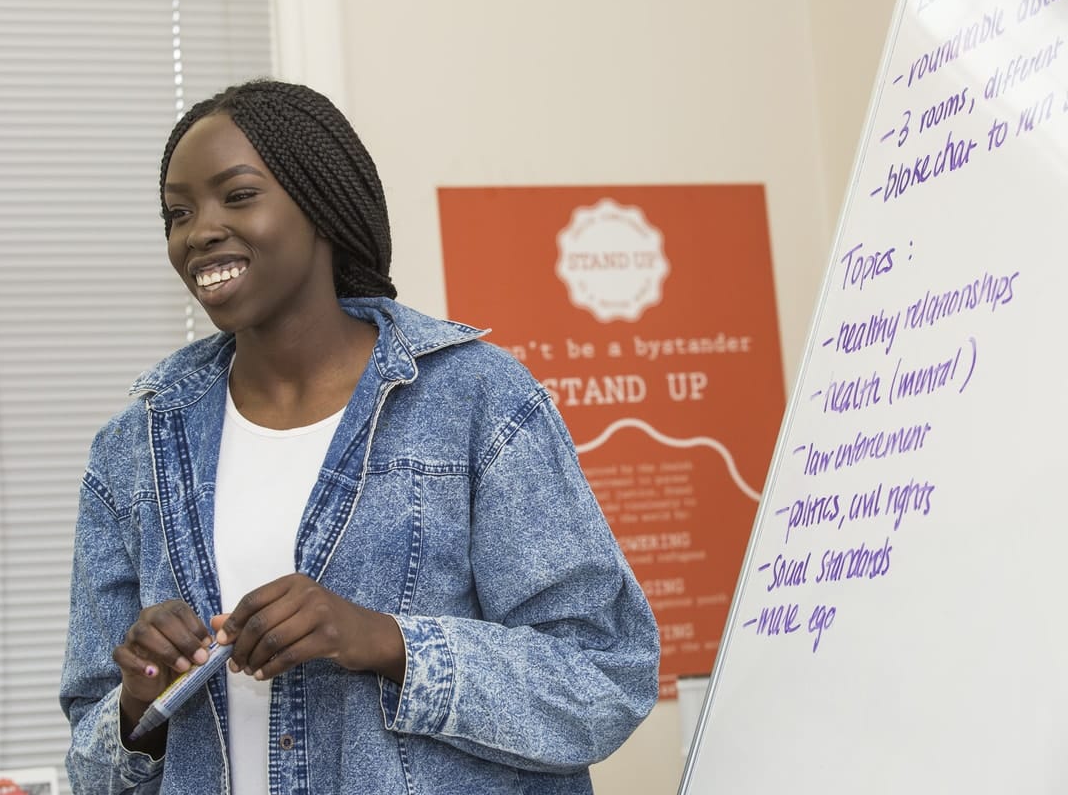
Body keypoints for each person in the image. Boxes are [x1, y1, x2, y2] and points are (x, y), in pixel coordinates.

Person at [59, 78, 660, 795]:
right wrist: (140, 701)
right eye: (177, 213)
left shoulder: (478, 400)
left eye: (238, 196)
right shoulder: (134, 448)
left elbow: (603, 679)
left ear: (320, 205)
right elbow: (91, 764)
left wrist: (383, 639)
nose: (199, 231)